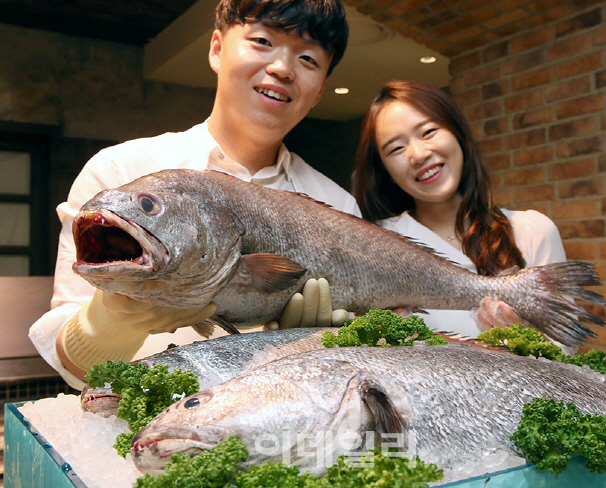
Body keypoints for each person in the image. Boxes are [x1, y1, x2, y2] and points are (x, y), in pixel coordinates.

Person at [30, 0, 358, 389]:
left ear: (320, 90)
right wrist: (110, 322)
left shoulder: (340, 207)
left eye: (307, 58)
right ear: (217, 48)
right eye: (262, 41)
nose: (282, 68)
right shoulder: (120, 173)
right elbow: (73, 372)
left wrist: (320, 345)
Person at [352, 80, 567, 340]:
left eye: (428, 131)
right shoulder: (372, 243)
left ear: (457, 133)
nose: (418, 154)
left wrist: (524, 337)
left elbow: (565, 349)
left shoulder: (532, 231)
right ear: (385, 171)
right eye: (396, 148)